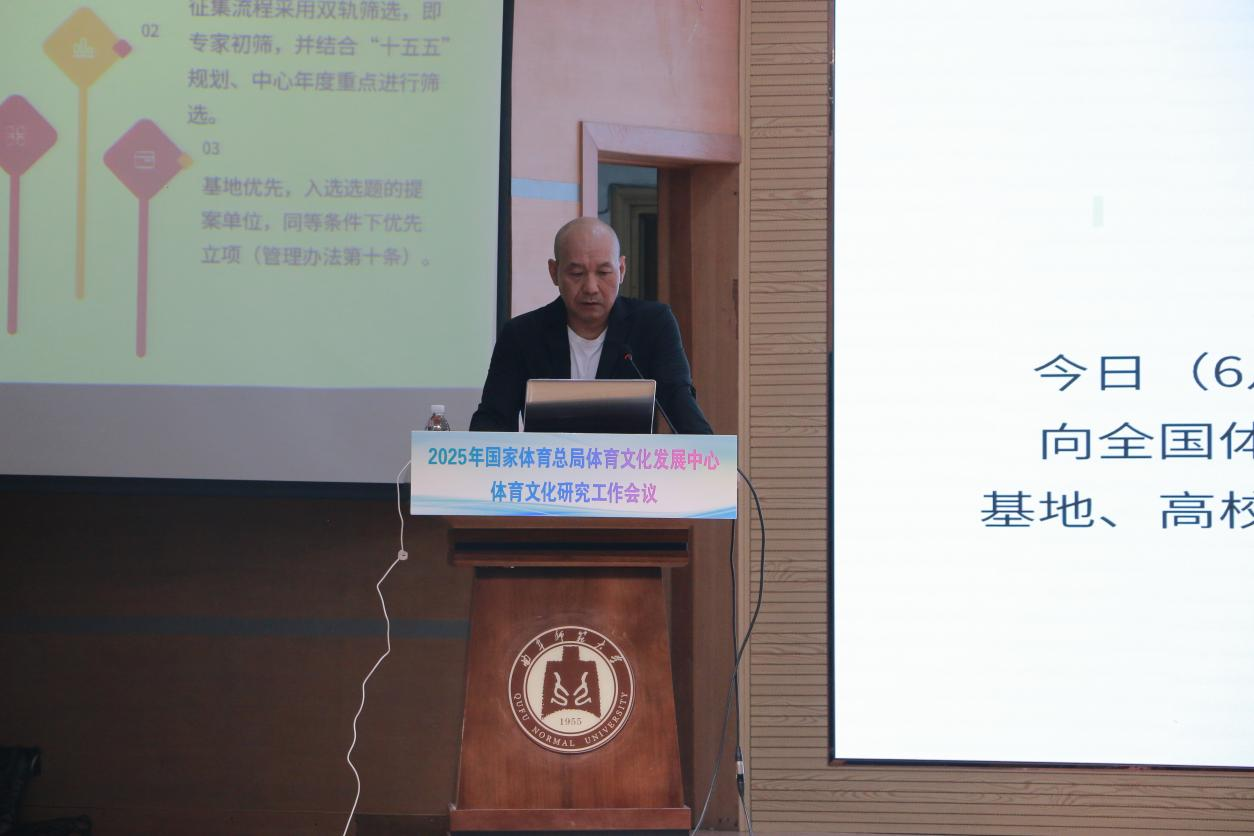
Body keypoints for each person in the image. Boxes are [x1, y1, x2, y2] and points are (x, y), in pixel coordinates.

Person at [469, 217, 713, 434]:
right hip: (548, 469)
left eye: (604, 273)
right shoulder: (522, 334)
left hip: (627, 469)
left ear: (621, 270)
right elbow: (493, 418)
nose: (591, 288)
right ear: (554, 272)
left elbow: (679, 402)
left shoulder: (652, 325)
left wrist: (713, 458)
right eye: (576, 274)